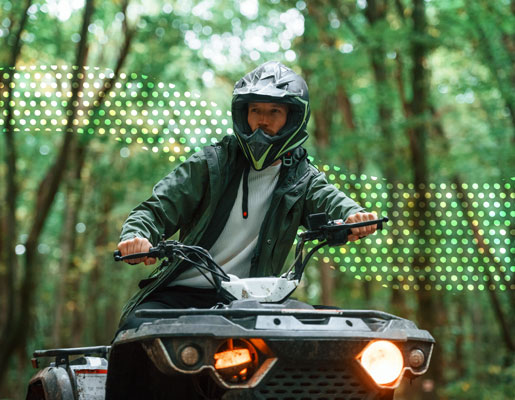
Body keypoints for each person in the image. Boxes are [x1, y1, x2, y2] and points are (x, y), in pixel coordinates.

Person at [115, 61, 377, 333]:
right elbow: (155, 210)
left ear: (293, 118)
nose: (263, 120)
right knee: (137, 328)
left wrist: (354, 216)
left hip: (253, 301)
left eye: (274, 111)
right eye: (255, 110)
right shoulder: (210, 164)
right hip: (182, 296)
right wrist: (136, 239)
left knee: (327, 330)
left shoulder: (303, 178)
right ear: (243, 114)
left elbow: (332, 201)